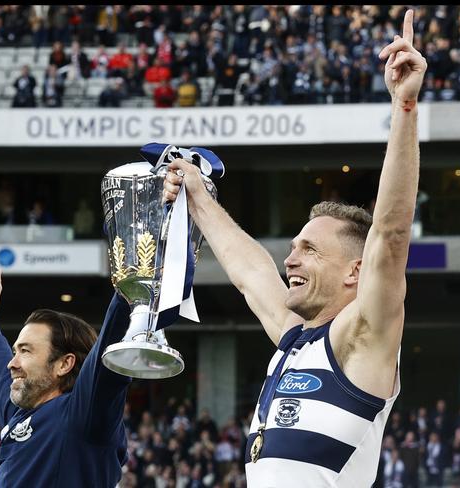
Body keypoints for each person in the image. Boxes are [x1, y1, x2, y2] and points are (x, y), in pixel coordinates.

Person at [163, 9, 426, 487]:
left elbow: (389, 237)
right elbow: (249, 271)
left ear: (354, 273)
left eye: (309, 249)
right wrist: (197, 195)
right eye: (292, 248)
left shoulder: (361, 339)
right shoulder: (293, 341)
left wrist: (403, 111)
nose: (290, 259)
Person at [0, 270, 132, 486]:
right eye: (15, 351)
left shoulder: (80, 419)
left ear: (64, 364)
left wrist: (133, 286)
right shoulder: (20, 416)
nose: (12, 363)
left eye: (25, 351)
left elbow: (108, 358)